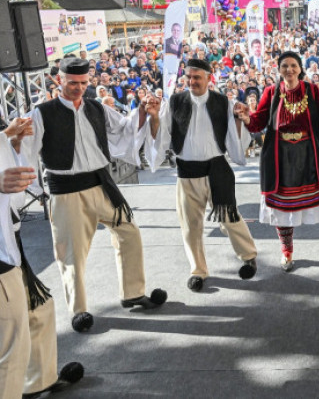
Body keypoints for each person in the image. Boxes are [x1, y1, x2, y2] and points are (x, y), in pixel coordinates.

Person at [17, 58, 167, 333]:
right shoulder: (41, 113)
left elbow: (125, 128)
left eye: (84, 83)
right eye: (73, 83)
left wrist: (143, 111)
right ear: (59, 80)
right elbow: (25, 148)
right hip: (67, 191)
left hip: (101, 183)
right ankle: (79, 311)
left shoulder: (97, 108)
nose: (79, 87)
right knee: (71, 254)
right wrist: (24, 172)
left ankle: (133, 292)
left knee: (129, 232)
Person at [143, 58, 258, 292]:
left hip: (217, 170)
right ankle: (198, 270)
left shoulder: (223, 102)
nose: (192, 81)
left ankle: (248, 256)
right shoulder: (175, 102)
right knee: (190, 226)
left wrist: (240, 117)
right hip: (187, 172)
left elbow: (235, 135)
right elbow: (162, 134)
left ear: (208, 78)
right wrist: (154, 117)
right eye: (189, 77)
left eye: (197, 77)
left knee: (230, 217)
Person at [235, 52, 319, 272]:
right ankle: (286, 250)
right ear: (279, 69)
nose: (289, 69)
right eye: (284, 65)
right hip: (280, 158)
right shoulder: (271, 91)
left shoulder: (311, 90)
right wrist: (247, 118)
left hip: (308, 157)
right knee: (281, 207)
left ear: (300, 68)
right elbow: (258, 122)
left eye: (293, 65)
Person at [0, 119, 84, 398]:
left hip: (9, 246)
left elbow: (14, 191)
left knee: (40, 309)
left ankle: (37, 382)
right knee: (11, 349)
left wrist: (11, 142)